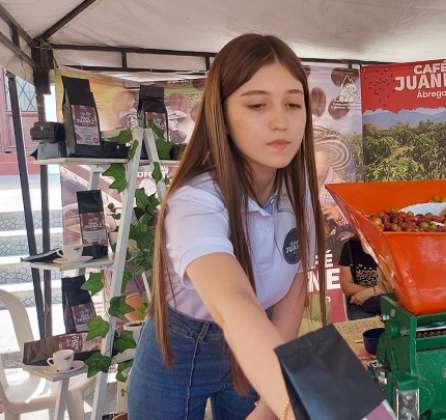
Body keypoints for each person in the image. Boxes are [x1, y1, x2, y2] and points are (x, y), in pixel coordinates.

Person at [128, 34, 326, 420]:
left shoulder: (299, 193)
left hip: (260, 341)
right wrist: (305, 407)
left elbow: (292, 293)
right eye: (256, 104)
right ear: (222, 115)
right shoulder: (195, 199)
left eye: (293, 103)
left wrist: (273, 404)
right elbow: (232, 301)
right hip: (181, 346)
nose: (280, 121)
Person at [338, 236, 387, 320]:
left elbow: (396, 287)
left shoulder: (390, 245)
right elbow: (346, 286)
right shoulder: (350, 247)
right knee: (362, 330)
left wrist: (370, 292)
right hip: (360, 304)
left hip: (388, 304)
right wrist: (378, 290)